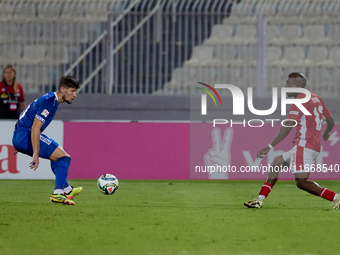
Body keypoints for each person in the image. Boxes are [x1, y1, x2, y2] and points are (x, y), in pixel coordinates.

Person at [244, 72, 340, 209]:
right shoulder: (316, 98)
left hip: (304, 145)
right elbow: (331, 121)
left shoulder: (300, 100)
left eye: (288, 83)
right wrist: (326, 133)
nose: (285, 86)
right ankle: (259, 200)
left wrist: (269, 146)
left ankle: (337, 197)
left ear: (298, 85)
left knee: (302, 182)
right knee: (276, 164)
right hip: (312, 146)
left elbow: (287, 127)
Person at [12, 75, 82, 205]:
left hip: (20, 135)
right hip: (25, 135)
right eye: (72, 91)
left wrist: (17, 140)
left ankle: (67, 189)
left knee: (58, 156)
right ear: (63, 89)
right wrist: (35, 154)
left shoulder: (50, 98)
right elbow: (35, 127)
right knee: (64, 158)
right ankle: (58, 193)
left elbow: (26, 117)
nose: (74, 95)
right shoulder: (50, 102)